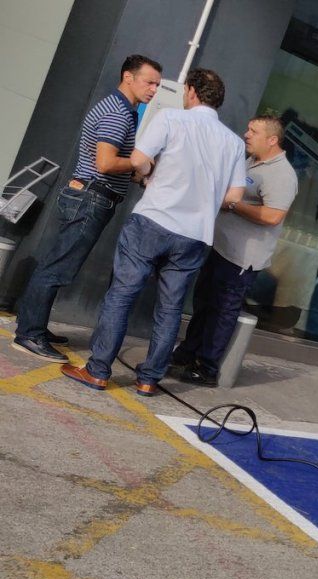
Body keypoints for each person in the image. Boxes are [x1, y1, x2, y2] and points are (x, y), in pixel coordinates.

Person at [61, 68, 246, 396]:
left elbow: (139, 159)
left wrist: (149, 175)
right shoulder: (232, 143)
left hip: (154, 219)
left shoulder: (171, 119)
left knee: (122, 294)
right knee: (171, 308)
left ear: (190, 92)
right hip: (195, 234)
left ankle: (98, 370)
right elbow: (233, 197)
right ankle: (148, 379)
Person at [10, 55, 162, 363]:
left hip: (87, 195)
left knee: (55, 262)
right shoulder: (118, 113)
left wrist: (137, 173)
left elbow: (107, 161)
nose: (154, 90)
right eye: (149, 82)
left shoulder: (122, 110)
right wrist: (139, 163)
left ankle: (32, 324)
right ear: (128, 77)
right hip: (92, 198)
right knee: (57, 268)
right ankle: (29, 334)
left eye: (158, 84)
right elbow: (105, 163)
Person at [170, 114, 298, 387]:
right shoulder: (251, 161)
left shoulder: (282, 174)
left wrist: (231, 204)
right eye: (248, 128)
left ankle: (206, 367)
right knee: (204, 304)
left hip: (242, 258)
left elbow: (273, 215)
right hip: (220, 247)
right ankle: (187, 353)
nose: (246, 134)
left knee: (222, 311)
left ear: (272, 139)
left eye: (254, 131)